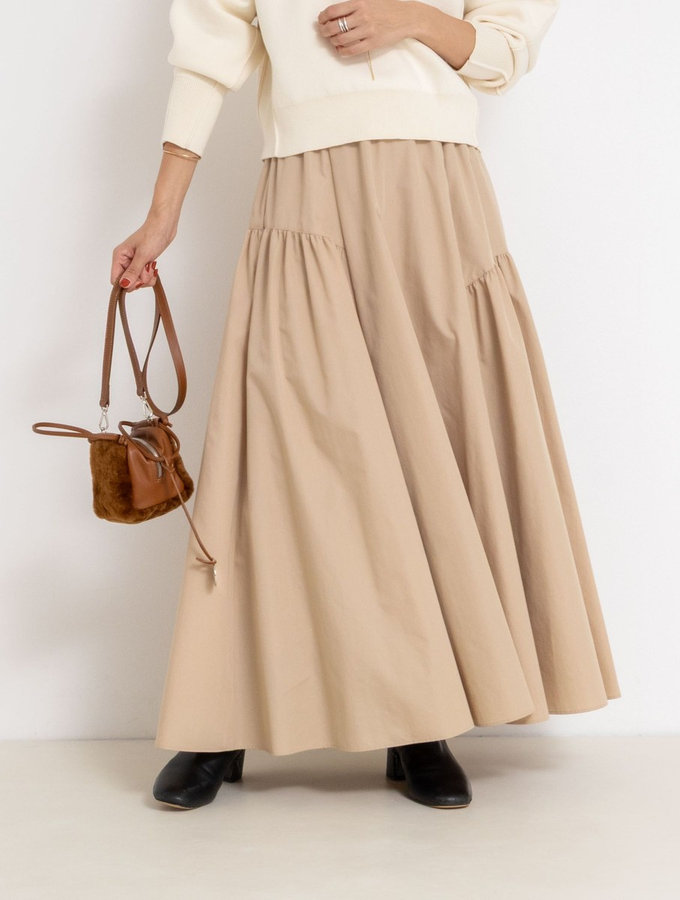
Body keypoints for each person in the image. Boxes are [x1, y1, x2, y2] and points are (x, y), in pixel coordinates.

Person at [111, 0, 621, 812]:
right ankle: (217, 720)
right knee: (276, 453)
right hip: (304, 187)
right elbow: (208, 51)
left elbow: (504, 54)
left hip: (437, 193)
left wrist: (411, 19)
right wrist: (162, 213)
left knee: (430, 449)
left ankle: (421, 720)